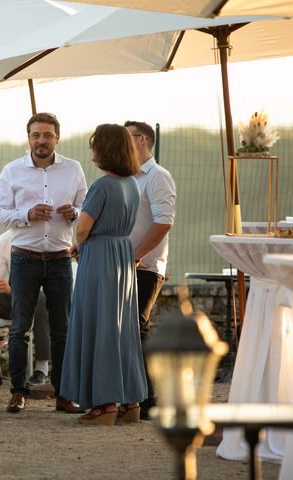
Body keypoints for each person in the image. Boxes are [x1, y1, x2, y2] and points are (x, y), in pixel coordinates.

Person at [0, 112, 87, 414]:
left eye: (47, 135)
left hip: (60, 259)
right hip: (24, 258)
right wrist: (27, 214)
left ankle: (63, 394)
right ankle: (18, 392)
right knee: (20, 328)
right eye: (36, 135)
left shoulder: (73, 169)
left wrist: (72, 212)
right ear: (28, 137)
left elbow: (86, 209)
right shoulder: (11, 171)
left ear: (57, 138)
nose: (41, 141)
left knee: (63, 330)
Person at [60, 123, 148, 426]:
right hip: (122, 254)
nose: (92, 148)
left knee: (98, 326)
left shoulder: (102, 186)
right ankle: (130, 401)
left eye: (95, 143)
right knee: (121, 329)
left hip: (98, 257)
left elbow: (83, 227)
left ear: (105, 149)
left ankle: (105, 403)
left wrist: (77, 245)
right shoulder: (132, 184)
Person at [124, 121, 176, 419]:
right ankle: (139, 395)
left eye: (127, 137)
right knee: (130, 329)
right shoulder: (129, 176)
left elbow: (164, 222)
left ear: (142, 140)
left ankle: (150, 398)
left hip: (146, 266)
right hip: (126, 264)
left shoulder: (158, 177)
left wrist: (136, 255)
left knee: (136, 327)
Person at [0, 229, 52, 387]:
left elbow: (47, 286)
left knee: (41, 299)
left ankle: (42, 369)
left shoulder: (44, 237)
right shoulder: (4, 240)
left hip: (40, 299)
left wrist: (12, 288)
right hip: (14, 299)